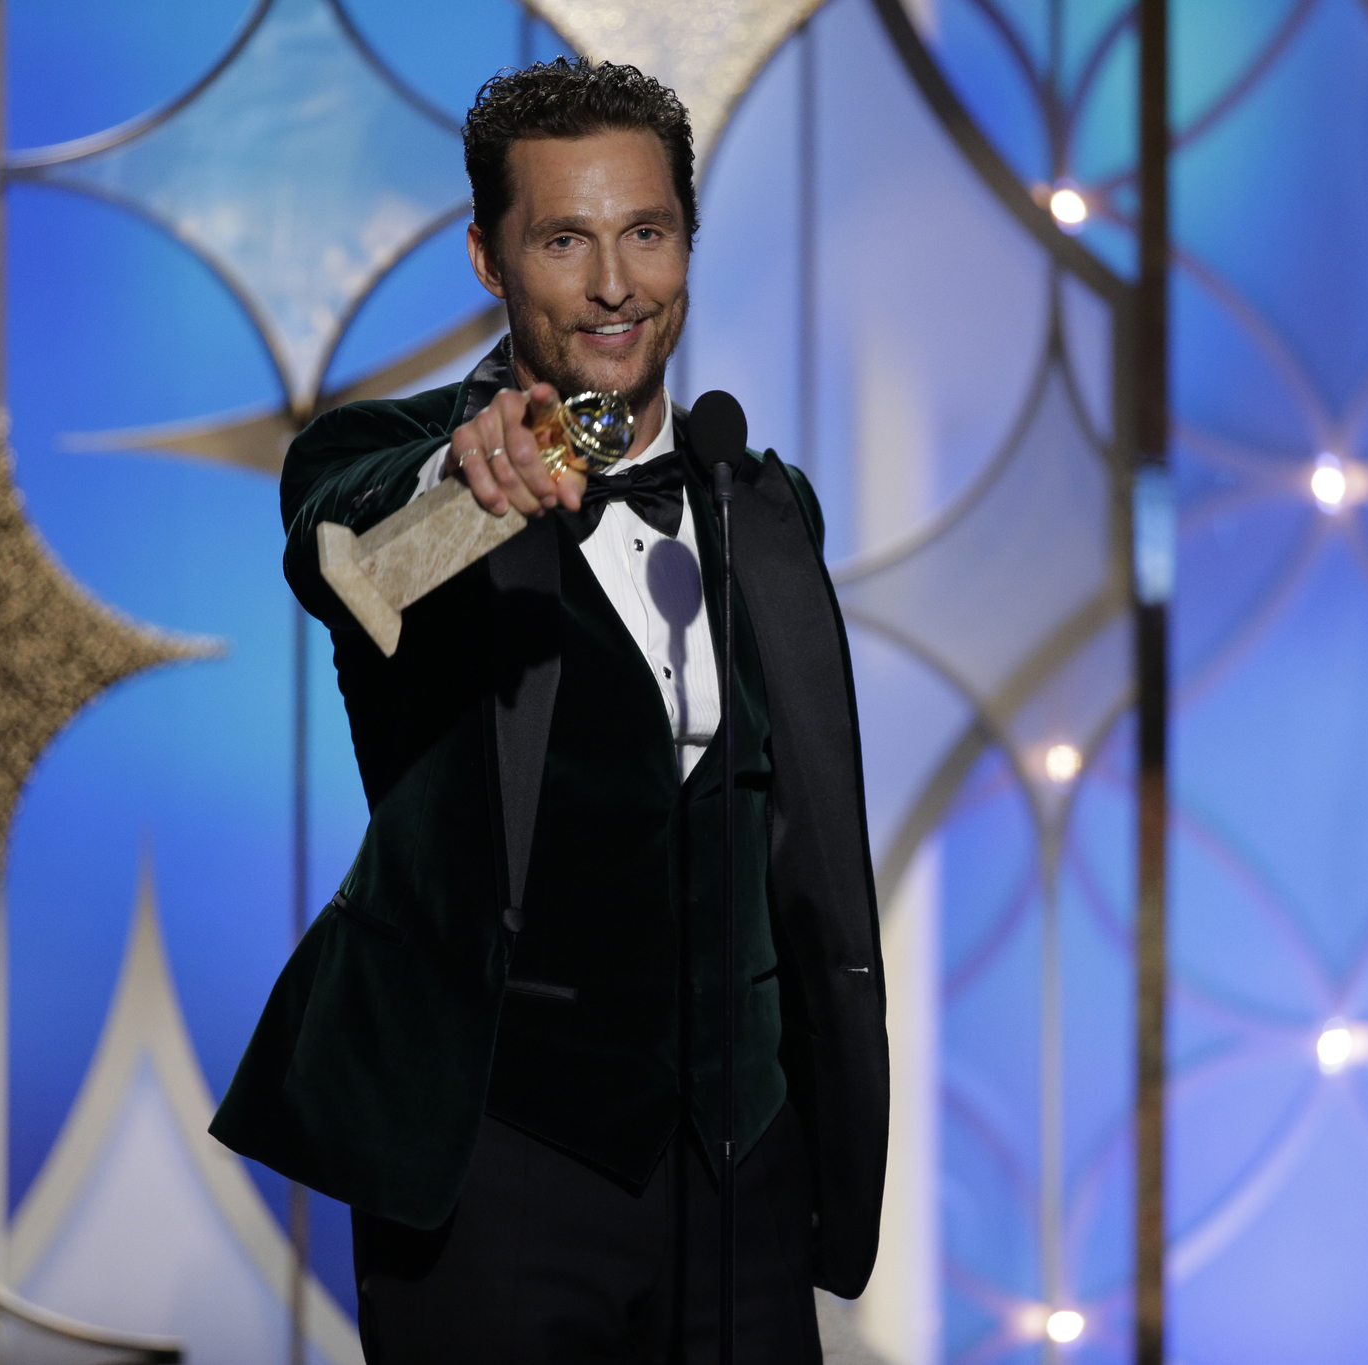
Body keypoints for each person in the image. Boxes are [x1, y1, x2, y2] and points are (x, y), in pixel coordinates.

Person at [211, 58, 887, 1364]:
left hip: (745, 1161)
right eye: (565, 238)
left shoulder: (765, 502)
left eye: (647, 231)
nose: (617, 284)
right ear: (486, 254)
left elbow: (800, 852)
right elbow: (340, 539)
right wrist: (461, 474)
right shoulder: (390, 462)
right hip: (498, 1164)